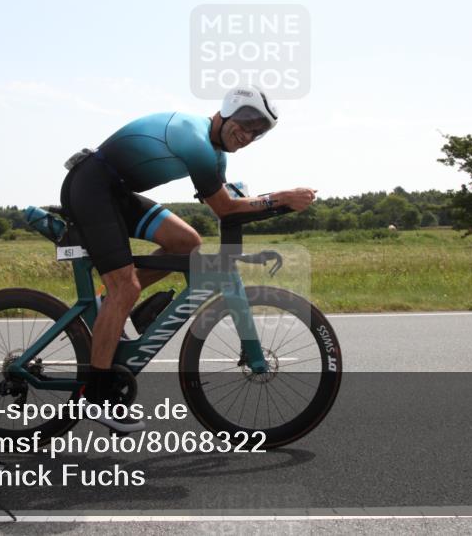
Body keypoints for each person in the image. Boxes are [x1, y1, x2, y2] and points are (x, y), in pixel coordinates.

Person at [60, 86, 317, 432]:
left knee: (186, 241)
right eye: (247, 122)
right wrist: (280, 198)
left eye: (259, 131)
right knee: (127, 287)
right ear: (228, 110)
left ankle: (111, 306)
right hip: (91, 187)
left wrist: (274, 204)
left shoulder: (216, 156)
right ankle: (96, 395)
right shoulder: (193, 139)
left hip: (115, 192)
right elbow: (225, 207)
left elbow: (230, 211)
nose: (249, 134)